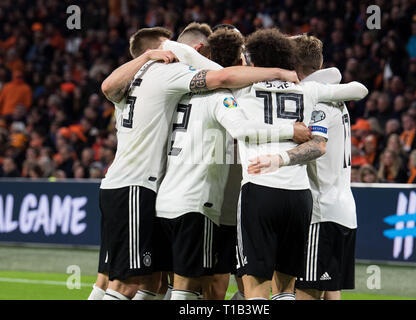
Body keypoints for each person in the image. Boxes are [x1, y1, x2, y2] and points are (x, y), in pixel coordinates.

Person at [90, 26, 300, 301]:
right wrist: (284, 93)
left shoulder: (134, 82)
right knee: (186, 286)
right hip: (190, 200)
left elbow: (107, 86)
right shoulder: (195, 84)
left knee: (146, 282)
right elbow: (236, 112)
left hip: (156, 195)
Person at [156, 26, 310, 301]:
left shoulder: (234, 88)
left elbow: (186, 52)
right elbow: (354, 89)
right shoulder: (307, 91)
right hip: (288, 194)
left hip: (231, 196)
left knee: (216, 286)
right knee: (279, 287)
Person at [234, 29, 368, 300]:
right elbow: (360, 89)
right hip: (341, 208)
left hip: (320, 211)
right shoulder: (330, 96)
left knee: (303, 293)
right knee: (328, 293)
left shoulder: (316, 100)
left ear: (292, 65)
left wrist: (279, 158)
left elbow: (318, 146)